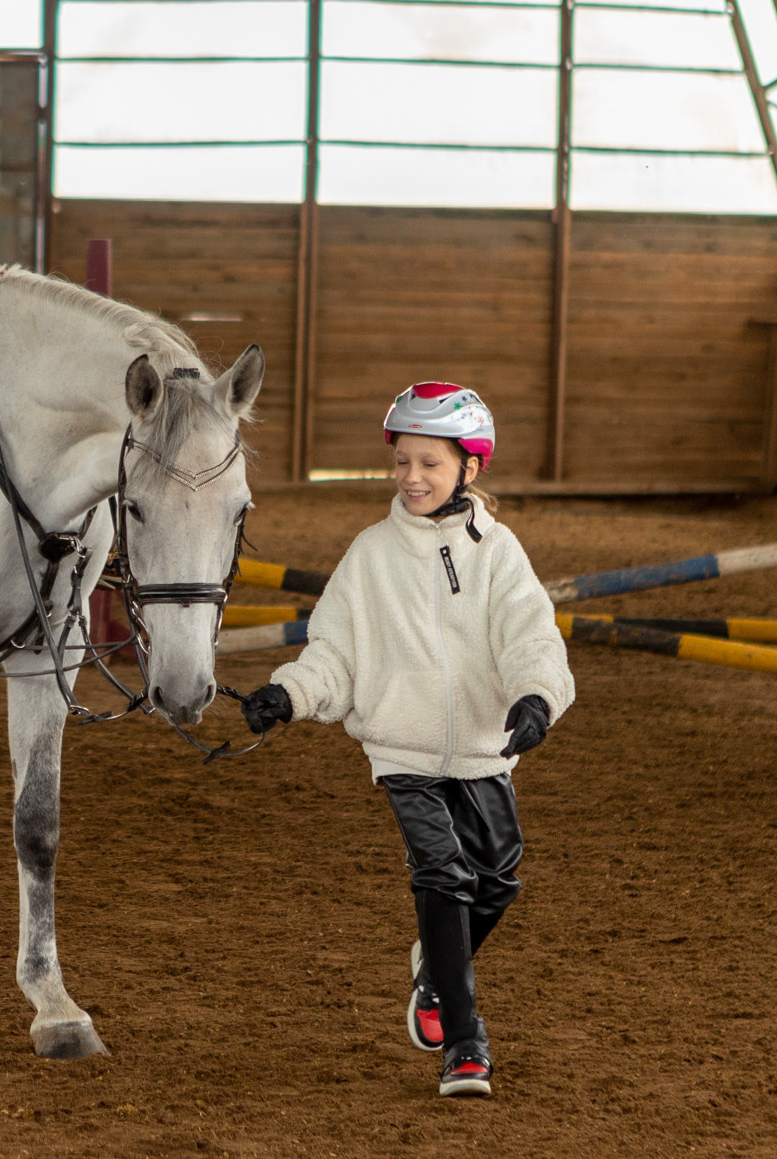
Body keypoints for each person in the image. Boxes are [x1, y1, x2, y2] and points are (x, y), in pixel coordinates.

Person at [237, 384, 574, 1099]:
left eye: (429, 463)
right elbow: (335, 652)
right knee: (442, 873)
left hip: (487, 749)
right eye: (401, 463)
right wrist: (290, 693)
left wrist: (537, 698)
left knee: (498, 879)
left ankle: (435, 969)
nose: (412, 477)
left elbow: (531, 635)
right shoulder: (370, 556)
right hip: (403, 751)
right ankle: (465, 1041)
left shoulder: (499, 553)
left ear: (468, 469)